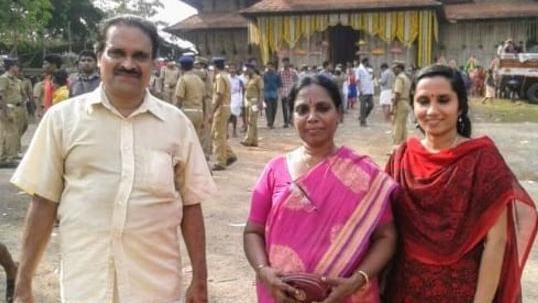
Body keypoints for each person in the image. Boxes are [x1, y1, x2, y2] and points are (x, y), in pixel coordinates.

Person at [11, 15, 216, 303]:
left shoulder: (176, 125)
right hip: (86, 286)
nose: (129, 65)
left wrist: (200, 279)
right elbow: (43, 203)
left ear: (153, 63)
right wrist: (23, 285)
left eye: (140, 56)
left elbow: (191, 205)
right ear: (99, 57)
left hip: (155, 289)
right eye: (117, 53)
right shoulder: (62, 120)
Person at [385, 64, 538, 302]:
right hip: (404, 289)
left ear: (460, 107)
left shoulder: (482, 158)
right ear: (413, 106)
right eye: (423, 101)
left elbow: (496, 241)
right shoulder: (401, 158)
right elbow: (385, 231)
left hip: (462, 291)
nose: (432, 110)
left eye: (443, 100)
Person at [244, 75, 398, 303]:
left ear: (339, 113)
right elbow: (252, 231)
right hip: (282, 295)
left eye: (323, 108)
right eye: (302, 109)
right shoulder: (274, 170)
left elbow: (386, 236)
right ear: (293, 116)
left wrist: (356, 280)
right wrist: (264, 271)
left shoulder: (364, 174)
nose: (312, 117)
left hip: (349, 295)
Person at [210, 57, 237, 171]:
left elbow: (219, 95)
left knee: (218, 135)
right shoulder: (225, 76)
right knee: (218, 133)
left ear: (215, 66)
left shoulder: (220, 77)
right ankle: (229, 154)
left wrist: (213, 110)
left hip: (221, 107)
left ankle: (220, 161)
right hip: (226, 107)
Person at [175, 55, 206, 149]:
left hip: (187, 112)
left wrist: (174, 112)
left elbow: (179, 98)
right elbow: (204, 99)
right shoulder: (199, 80)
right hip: (199, 112)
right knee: (196, 140)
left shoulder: (183, 79)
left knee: (185, 140)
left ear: (181, 67)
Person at [0, 58, 26, 167]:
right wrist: (5, 111)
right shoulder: (4, 79)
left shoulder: (17, 80)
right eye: (16, 65)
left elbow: (22, 94)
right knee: (8, 133)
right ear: (11, 67)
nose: (18, 68)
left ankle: (13, 154)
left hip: (18, 108)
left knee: (17, 132)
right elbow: (1, 96)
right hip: (8, 108)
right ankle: (5, 158)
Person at [241, 63, 263, 147]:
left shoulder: (257, 78)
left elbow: (261, 90)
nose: (246, 71)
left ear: (251, 69)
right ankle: (254, 140)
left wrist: (260, 102)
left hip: (255, 101)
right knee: (252, 121)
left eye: (247, 69)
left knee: (251, 120)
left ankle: (247, 139)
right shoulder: (248, 79)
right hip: (248, 101)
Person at [391, 61, 412, 148]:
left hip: (400, 102)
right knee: (403, 126)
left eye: (395, 68)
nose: (393, 70)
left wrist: (393, 106)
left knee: (397, 125)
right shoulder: (406, 78)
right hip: (406, 102)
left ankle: (396, 146)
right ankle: (404, 145)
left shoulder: (399, 78)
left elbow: (397, 93)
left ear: (400, 68)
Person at [279, 57, 298, 128]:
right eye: (284, 62)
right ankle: (285, 122)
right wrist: (280, 91)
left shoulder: (293, 72)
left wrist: (295, 89)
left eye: (287, 62)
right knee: (284, 108)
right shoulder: (280, 72)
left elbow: (297, 80)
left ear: (289, 62)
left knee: (291, 108)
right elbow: (279, 83)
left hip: (291, 92)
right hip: (283, 92)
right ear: (282, 63)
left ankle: (291, 120)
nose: (285, 63)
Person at [263, 62, 281, 129]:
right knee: (268, 109)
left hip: (274, 94)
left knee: (274, 109)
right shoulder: (265, 75)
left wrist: (279, 93)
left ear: (273, 67)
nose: (269, 68)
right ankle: (269, 123)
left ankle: (272, 122)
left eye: (271, 66)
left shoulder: (276, 75)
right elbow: (263, 85)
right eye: (268, 66)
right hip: (267, 94)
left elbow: (279, 84)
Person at [356, 58, 374, 126]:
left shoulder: (368, 69)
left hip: (369, 90)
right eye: (367, 62)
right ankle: (363, 122)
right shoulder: (359, 69)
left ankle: (362, 117)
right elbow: (357, 80)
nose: (368, 63)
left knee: (371, 105)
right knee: (363, 107)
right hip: (363, 91)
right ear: (365, 62)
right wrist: (360, 90)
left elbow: (371, 78)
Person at [228, 63, 244, 137]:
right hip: (228, 97)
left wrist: (242, 99)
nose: (232, 70)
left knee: (234, 114)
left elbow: (242, 89)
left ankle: (234, 131)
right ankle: (226, 131)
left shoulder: (239, 79)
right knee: (227, 115)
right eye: (231, 68)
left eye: (233, 68)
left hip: (236, 98)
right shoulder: (226, 78)